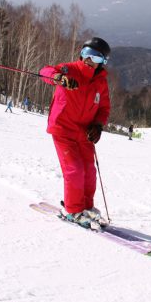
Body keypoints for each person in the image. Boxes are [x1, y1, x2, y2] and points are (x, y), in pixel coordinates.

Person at [39, 37, 111, 228]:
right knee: (75, 170)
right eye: (87, 54)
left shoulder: (100, 82)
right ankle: (73, 210)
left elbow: (104, 108)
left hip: (84, 133)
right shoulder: (69, 70)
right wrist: (59, 78)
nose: (89, 60)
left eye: (96, 58)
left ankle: (86, 207)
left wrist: (98, 125)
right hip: (63, 129)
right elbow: (45, 71)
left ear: (103, 62)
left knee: (89, 171)